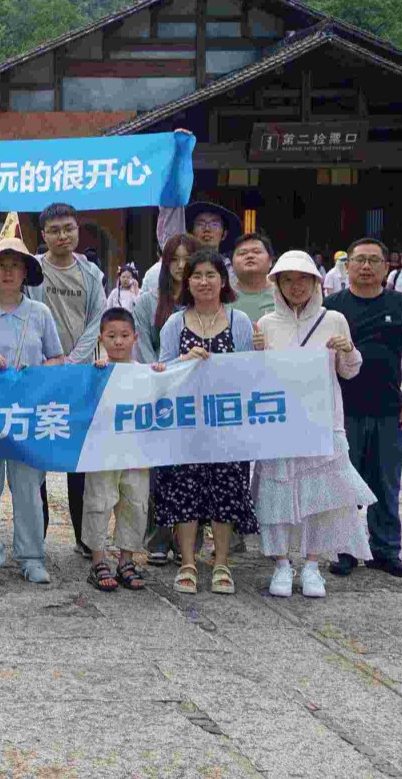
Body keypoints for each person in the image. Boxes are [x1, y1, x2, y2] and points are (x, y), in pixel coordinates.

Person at [251, 251, 376, 599]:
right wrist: (255, 352)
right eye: (288, 280)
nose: (296, 286)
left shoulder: (333, 319)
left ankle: (312, 565)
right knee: (276, 492)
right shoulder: (265, 324)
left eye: (303, 279)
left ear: (316, 283)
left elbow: (349, 371)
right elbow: (257, 377)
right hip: (278, 424)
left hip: (322, 421)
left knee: (318, 496)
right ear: (277, 285)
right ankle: (281, 564)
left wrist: (348, 349)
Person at [0, 217, 65, 588]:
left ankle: (31, 557)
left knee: (29, 490)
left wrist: (35, 373)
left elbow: (57, 358)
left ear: (25, 273)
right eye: (1, 266)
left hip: (27, 415)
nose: (7, 272)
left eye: (14, 266)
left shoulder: (40, 314)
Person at [153, 250, 258, 595]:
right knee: (185, 491)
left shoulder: (239, 321)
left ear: (223, 280)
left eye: (211, 275)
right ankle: (187, 562)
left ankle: (222, 563)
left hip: (226, 423)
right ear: (187, 283)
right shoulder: (175, 323)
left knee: (225, 492)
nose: (203, 282)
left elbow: (249, 371)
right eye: (196, 276)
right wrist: (184, 360)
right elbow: (162, 372)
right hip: (186, 424)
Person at [327, 238, 402, 581]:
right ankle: (344, 549)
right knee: (343, 483)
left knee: (386, 483)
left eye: (374, 260)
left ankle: (386, 551)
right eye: (359, 260)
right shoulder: (332, 307)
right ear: (348, 265)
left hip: (388, 409)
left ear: (387, 267)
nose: (366, 266)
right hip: (341, 412)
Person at [27, 202, 106, 557]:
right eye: (55, 230)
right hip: (40, 376)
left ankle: (85, 537)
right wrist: (48, 362)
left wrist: (72, 362)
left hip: (79, 376)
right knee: (37, 456)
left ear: (77, 230)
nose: (63, 236)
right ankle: (36, 536)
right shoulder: (32, 270)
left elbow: (97, 321)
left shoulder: (91, 274)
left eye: (69, 228)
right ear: (44, 235)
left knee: (81, 458)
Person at [83, 308, 151, 593]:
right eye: (111, 336)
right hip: (102, 451)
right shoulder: (96, 371)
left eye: (124, 335)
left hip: (136, 451)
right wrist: (94, 373)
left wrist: (160, 375)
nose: (119, 341)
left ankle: (126, 561)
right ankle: (98, 561)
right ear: (101, 338)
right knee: (99, 502)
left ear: (135, 337)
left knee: (135, 503)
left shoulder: (145, 372)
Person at [132, 234, 199, 366]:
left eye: (187, 259)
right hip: (157, 374)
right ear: (166, 262)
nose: (181, 265)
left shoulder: (204, 302)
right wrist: (162, 372)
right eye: (174, 259)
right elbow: (142, 349)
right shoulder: (146, 303)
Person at [141, 200, 236, 292]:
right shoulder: (169, 269)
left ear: (224, 234)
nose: (207, 229)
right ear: (192, 232)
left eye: (214, 224)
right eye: (200, 224)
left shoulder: (234, 270)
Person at [228, 233, 277, 321]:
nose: (250, 256)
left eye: (257, 252)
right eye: (242, 253)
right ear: (231, 264)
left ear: (270, 261)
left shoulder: (283, 294)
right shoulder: (221, 295)